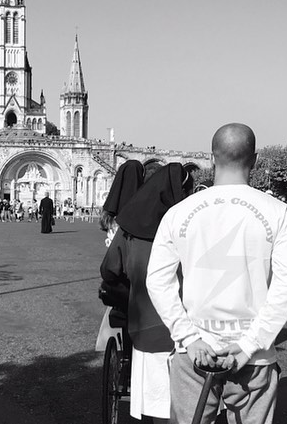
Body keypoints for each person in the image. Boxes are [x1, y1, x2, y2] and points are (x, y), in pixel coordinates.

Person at [146, 123, 287, 424]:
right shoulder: (277, 212)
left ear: (212, 157)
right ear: (255, 160)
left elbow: (157, 281)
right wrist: (249, 344)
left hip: (195, 351)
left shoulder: (178, 213)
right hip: (253, 354)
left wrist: (188, 337)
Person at [101, 163, 192, 423]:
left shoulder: (130, 230)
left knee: (158, 406)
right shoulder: (189, 227)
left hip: (146, 325)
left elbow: (109, 271)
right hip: (191, 325)